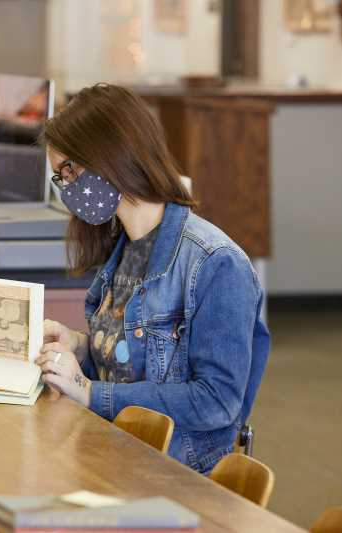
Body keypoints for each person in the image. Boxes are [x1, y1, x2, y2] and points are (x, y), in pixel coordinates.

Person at [34, 84, 270, 474]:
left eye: (70, 170)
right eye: (60, 177)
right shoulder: (125, 246)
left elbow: (216, 401)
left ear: (112, 156)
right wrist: (81, 347)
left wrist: (91, 392)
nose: (68, 188)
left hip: (173, 472)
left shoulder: (216, 262)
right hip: (113, 453)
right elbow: (130, 367)